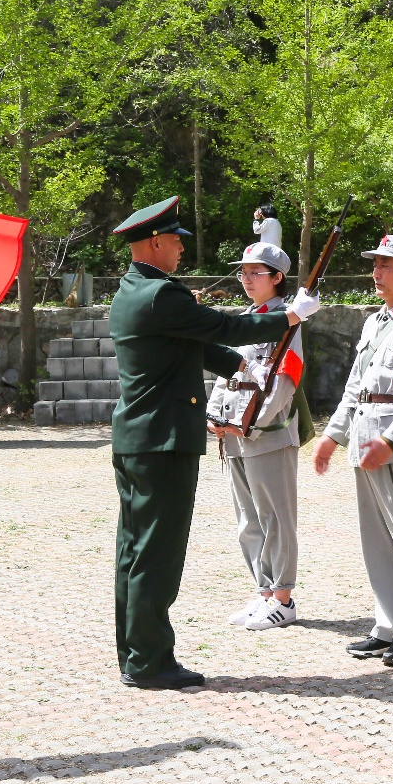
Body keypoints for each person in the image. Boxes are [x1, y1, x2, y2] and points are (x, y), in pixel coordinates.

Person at [109, 195, 321, 690]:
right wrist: (290, 318)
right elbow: (225, 325)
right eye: (177, 242)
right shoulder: (163, 294)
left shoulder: (134, 290)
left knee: (134, 550)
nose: (182, 250)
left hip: (139, 437)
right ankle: (151, 662)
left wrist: (234, 363)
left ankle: (135, 652)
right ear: (156, 242)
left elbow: (189, 343)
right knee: (157, 554)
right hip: (163, 440)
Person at [310, 235, 393, 666]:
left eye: (388, 265)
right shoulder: (375, 322)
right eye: (376, 264)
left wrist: (391, 441)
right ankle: (387, 626)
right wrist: (333, 436)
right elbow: (356, 386)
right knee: (377, 542)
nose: (377, 273)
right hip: (366, 437)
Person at [207, 242, 304, 631]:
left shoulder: (287, 320)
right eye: (242, 273)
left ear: (277, 278)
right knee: (248, 518)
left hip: (267, 433)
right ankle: (263, 591)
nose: (246, 279)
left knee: (276, 518)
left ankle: (283, 596)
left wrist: (252, 425)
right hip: (233, 431)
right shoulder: (247, 319)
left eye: (255, 273)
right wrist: (213, 415)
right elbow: (225, 371)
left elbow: (285, 381)